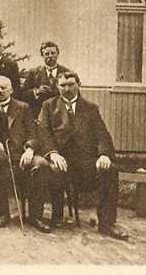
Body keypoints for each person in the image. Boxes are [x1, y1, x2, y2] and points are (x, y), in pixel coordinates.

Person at [36, 71, 128, 240]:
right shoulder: (49, 106)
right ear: (57, 87)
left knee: (110, 170)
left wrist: (104, 155)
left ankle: (107, 224)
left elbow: (102, 134)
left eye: (71, 84)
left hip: (85, 163)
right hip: (61, 160)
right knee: (53, 170)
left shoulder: (90, 108)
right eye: (63, 85)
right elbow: (42, 132)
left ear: (79, 84)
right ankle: (56, 217)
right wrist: (53, 153)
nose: (67, 88)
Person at [0, 76, 52, 232]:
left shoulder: (23, 107)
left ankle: (35, 216)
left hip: (21, 153)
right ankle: (4, 213)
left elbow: (33, 132)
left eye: (3, 88)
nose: (0, 91)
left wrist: (30, 149)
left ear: (11, 90)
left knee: (41, 164)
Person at [20, 41, 71, 117]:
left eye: (53, 53)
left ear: (57, 54)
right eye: (47, 54)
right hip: (38, 114)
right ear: (42, 55)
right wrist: (37, 91)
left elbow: (74, 94)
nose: (50, 56)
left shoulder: (66, 72)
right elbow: (23, 95)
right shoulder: (33, 73)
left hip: (61, 115)